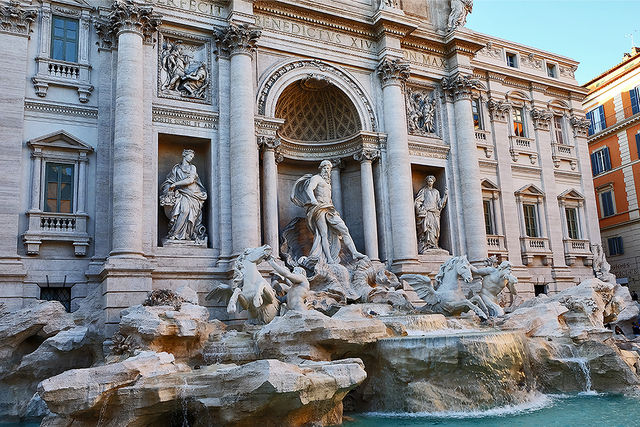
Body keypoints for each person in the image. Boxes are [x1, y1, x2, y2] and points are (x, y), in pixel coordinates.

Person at [291, 160, 366, 264]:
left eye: (328, 169)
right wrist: (313, 200)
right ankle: (328, 258)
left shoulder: (328, 183)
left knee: (344, 229)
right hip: (319, 208)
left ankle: (354, 252)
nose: (326, 170)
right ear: (321, 169)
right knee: (323, 234)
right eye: (325, 168)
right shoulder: (316, 178)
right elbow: (309, 189)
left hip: (329, 209)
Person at [159, 149, 208, 242]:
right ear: (184, 155)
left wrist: (176, 184)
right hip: (181, 193)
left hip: (193, 194)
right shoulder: (176, 168)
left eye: (192, 157)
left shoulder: (192, 167)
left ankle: (183, 234)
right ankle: (175, 234)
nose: (191, 158)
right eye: (190, 156)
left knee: (187, 212)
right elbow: (169, 181)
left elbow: (190, 180)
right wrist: (169, 187)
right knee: (183, 211)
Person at [414, 175, 448, 253]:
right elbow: (418, 201)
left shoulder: (436, 192)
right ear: (427, 182)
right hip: (427, 213)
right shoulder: (423, 191)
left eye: (431, 181)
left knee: (435, 229)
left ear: (433, 182)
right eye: (429, 181)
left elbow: (440, 204)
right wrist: (420, 210)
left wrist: (445, 195)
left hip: (435, 213)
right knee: (427, 229)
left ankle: (434, 245)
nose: (430, 182)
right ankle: (427, 245)